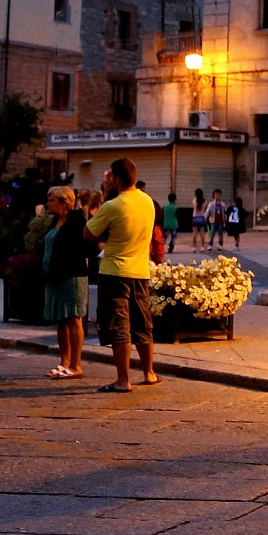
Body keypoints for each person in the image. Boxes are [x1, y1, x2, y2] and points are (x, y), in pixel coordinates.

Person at [85, 159, 159, 393]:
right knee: (142, 323)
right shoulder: (148, 202)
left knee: (120, 325)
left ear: (116, 179)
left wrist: (105, 195)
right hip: (140, 271)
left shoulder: (112, 206)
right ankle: (149, 373)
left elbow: (88, 233)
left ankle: (122, 379)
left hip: (115, 272)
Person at [42, 186, 90, 380]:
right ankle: (64, 362)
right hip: (54, 277)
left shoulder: (77, 221)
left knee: (73, 318)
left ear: (64, 202)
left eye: (51, 200)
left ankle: (76, 364)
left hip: (71, 276)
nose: (48, 204)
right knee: (61, 320)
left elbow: (84, 247)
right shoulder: (55, 221)